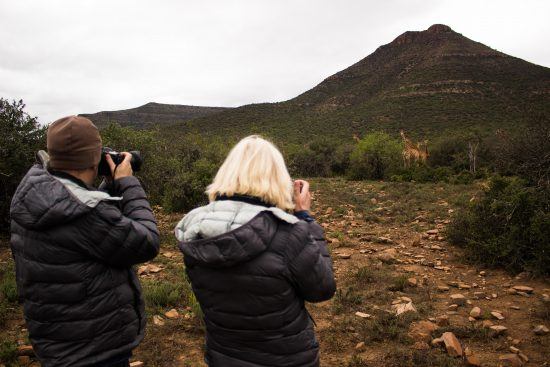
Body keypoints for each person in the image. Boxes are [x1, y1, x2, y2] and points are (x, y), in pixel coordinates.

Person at [10, 116, 160, 367]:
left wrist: (108, 186)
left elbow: (87, 212)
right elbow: (146, 241)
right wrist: (127, 183)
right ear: (95, 157)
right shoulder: (84, 214)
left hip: (59, 340)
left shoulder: (39, 192)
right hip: (94, 348)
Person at [175, 135, 336, 367]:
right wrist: (305, 218)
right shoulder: (289, 234)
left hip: (223, 358)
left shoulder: (195, 229)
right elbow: (322, 289)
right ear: (278, 177)